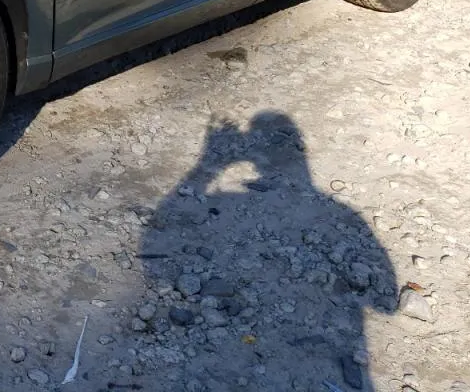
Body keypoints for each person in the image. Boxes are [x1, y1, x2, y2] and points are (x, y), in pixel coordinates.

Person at [142, 112, 398, 390]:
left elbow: (152, 242)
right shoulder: (338, 210)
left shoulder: (331, 210)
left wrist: (210, 163)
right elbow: (387, 303)